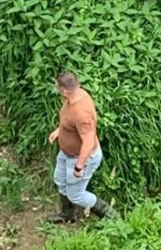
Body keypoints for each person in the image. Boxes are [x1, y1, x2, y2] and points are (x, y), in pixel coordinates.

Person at [47, 72, 114, 223]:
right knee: (60, 180)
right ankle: (67, 214)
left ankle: (110, 215)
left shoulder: (81, 112)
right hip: (66, 154)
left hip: (80, 158)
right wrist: (61, 131)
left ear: (64, 91)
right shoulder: (75, 96)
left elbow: (89, 141)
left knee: (76, 194)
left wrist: (79, 166)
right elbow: (70, 121)